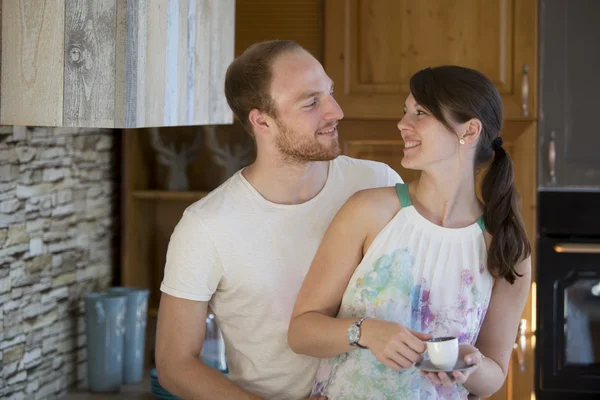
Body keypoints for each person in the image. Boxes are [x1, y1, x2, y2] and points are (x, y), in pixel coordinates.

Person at [154, 40, 403, 400]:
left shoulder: (378, 184)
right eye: (312, 102)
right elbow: (174, 364)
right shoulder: (206, 226)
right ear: (262, 121)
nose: (336, 111)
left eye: (329, 92)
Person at [288, 65, 532, 399]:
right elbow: (301, 332)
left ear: (470, 131)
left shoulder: (505, 245)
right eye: (405, 112)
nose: (403, 124)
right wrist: (366, 332)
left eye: (421, 113)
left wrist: (470, 366)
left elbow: (494, 376)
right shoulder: (368, 212)